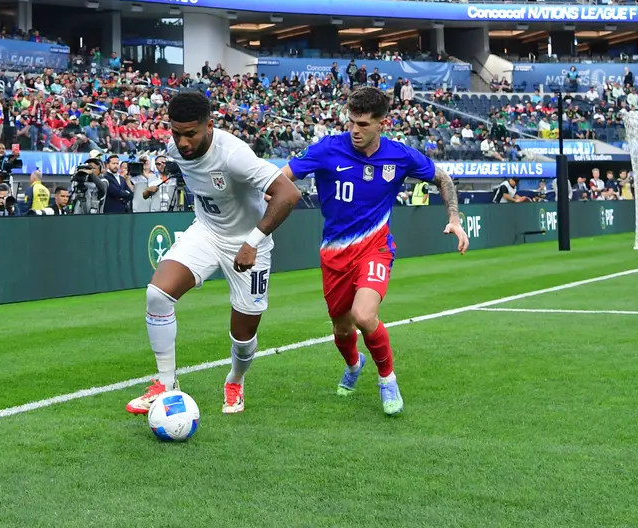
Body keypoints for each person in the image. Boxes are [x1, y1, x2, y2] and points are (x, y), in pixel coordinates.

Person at [282, 87, 467, 417]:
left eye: (364, 124)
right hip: (334, 254)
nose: (355, 130)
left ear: (384, 122)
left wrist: (454, 216)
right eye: (351, 121)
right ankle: (354, 365)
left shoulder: (399, 155)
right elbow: (283, 176)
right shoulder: (327, 149)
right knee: (341, 330)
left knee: (364, 316)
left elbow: (443, 178)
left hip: (375, 249)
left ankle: (387, 379)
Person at [126, 91, 301, 418]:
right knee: (157, 295)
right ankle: (165, 384)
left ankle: (235, 379)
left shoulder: (234, 154)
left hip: (249, 242)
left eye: (190, 133)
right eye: (175, 132)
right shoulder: (173, 148)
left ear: (209, 126)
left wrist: (253, 241)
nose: (182, 141)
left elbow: (289, 193)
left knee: (243, 336)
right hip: (206, 232)